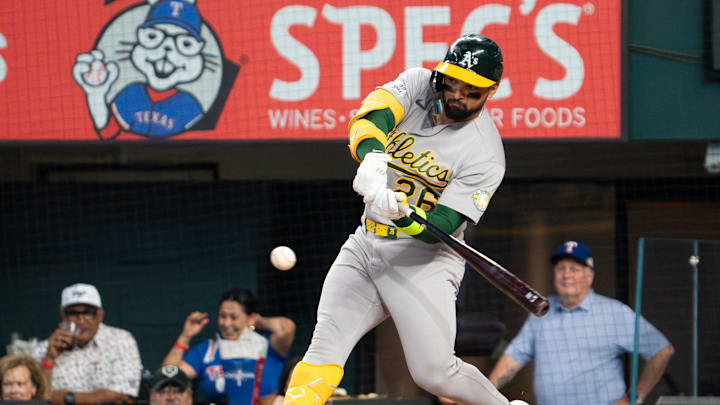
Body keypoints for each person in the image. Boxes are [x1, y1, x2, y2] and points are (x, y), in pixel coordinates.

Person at [282, 34, 523, 405]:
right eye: (452, 81)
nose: (457, 94)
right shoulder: (416, 84)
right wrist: (374, 159)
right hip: (365, 246)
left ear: (491, 91)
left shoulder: (486, 153)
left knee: (434, 373)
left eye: (471, 89)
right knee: (324, 345)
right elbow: (370, 118)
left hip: (423, 260)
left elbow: (442, 226)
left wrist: (406, 216)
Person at [488, 241, 675, 405]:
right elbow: (512, 359)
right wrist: (483, 395)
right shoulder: (542, 310)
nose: (565, 275)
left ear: (589, 276)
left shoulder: (613, 312)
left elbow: (661, 350)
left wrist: (637, 397)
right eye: (561, 268)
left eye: (573, 269)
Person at [162, 288, 295, 405]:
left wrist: (256, 320)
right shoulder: (207, 350)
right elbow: (168, 375)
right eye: (222, 316)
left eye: (233, 317)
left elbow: (286, 328)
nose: (226, 323)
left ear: (250, 317)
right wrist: (185, 336)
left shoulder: (266, 347)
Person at [31, 283, 143, 405]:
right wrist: (49, 359)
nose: (81, 319)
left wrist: (68, 399)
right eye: (73, 313)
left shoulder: (121, 340)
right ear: (63, 315)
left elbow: (123, 393)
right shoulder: (43, 348)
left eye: (88, 312)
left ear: (100, 315)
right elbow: (40, 398)